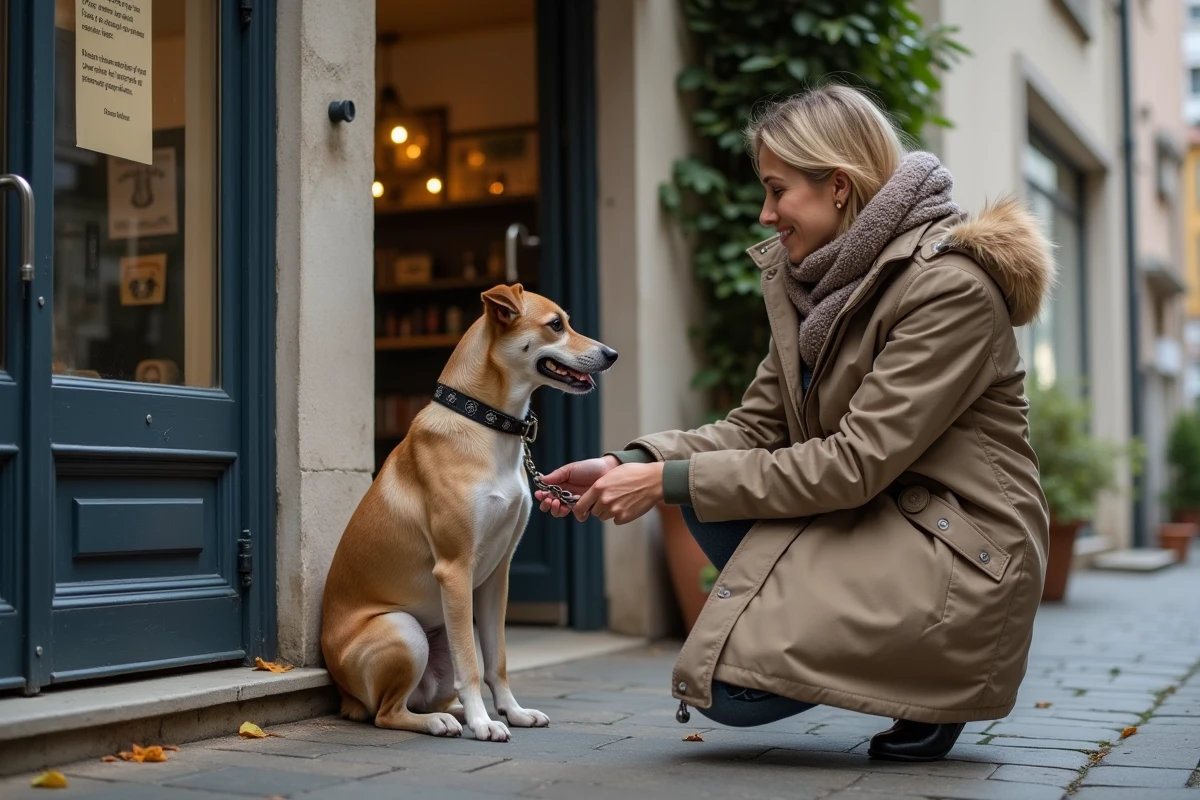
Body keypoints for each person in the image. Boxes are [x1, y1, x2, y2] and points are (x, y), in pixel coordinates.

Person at [535, 83, 1053, 763]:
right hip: (881, 517)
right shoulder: (815, 284)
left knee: (732, 685)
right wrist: (628, 462)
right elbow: (753, 428)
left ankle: (930, 681)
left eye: (778, 191)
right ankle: (867, 650)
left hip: (960, 553)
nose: (765, 212)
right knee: (703, 499)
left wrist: (668, 481)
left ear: (838, 186)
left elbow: (853, 464)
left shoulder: (949, 289)